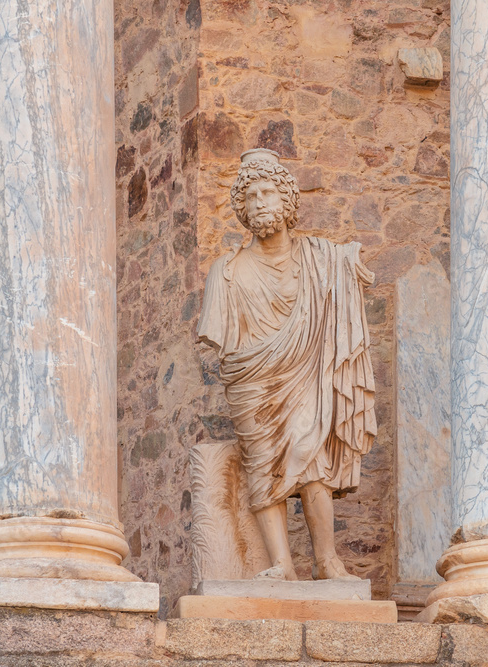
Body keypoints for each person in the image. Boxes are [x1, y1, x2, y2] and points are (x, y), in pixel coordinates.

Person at [197, 148, 377, 581]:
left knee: (310, 458)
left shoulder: (319, 260)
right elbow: (223, 341)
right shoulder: (227, 272)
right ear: (242, 208)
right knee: (263, 465)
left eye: (268, 192)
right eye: (251, 195)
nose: (260, 202)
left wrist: (348, 263)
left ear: (286, 201)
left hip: (303, 374)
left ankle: (327, 560)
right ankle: (282, 564)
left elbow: (345, 269)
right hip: (253, 383)